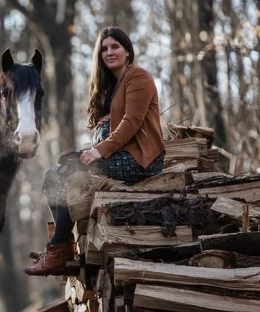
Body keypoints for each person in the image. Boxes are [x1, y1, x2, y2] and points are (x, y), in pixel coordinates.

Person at [25, 27, 166, 276]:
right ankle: (62, 246)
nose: (109, 52)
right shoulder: (116, 85)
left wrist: (99, 151)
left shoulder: (138, 77)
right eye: (104, 49)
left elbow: (132, 122)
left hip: (141, 160)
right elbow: (124, 115)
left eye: (115, 47)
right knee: (53, 174)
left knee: (68, 175)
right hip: (122, 153)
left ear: (127, 51)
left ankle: (58, 251)